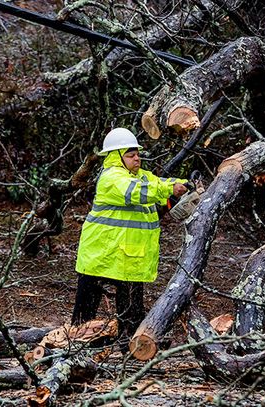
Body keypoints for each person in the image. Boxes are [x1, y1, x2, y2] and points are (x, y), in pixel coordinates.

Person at [71, 127, 189, 349]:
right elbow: (137, 191)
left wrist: (182, 185)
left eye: (137, 154)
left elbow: (157, 182)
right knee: (86, 307)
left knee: (132, 306)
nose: (137, 158)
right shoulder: (112, 178)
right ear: (116, 156)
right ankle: (72, 343)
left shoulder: (141, 176)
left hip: (128, 252)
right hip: (102, 251)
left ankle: (130, 345)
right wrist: (169, 188)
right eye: (130, 154)